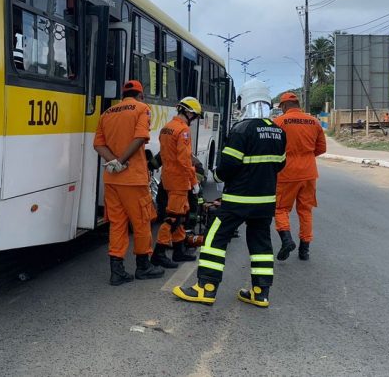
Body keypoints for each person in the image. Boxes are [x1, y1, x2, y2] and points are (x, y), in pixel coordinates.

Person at [173, 79, 286, 307]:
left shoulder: (242, 130)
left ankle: (206, 288)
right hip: (265, 202)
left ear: (244, 100)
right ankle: (260, 293)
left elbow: (228, 167)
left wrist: (214, 177)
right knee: (261, 244)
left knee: (215, 238)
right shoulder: (278, 131)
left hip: (238, 200)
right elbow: (280, 165)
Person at [93, 80, 164, 285]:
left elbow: (98, 144)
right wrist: (122, 161)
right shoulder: (142, 109)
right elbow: (141, 137)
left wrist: (113, 162)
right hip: (133, 179)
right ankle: (143, 266)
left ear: (124, 95)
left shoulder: (107, 113)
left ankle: (117, 271)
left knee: (117, 224)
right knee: (142, 221)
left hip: (112, 179)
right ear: (140, 95)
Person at [273, 92, 326, 261]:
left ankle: (286, 239)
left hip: (286, 172)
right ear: (297, 104)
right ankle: (305, 250)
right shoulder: (314, 121)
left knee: (281, 209)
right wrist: (306, 157)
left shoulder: (279, 122)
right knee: (305, 210)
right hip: (309, 173)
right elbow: (321, 148)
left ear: (285, 106)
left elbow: (272, 148)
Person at [151, 97, 202, 269]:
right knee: (173, 217)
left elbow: (166, 156)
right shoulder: (183, 130)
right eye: (194, 116)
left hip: (167, 178)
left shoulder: (166, 128)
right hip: (179, 181)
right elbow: (185, 160)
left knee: (180, 213)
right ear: (188, 112)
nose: (194, 120)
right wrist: (194, 181)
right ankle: (159, 252)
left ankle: (179, 250)